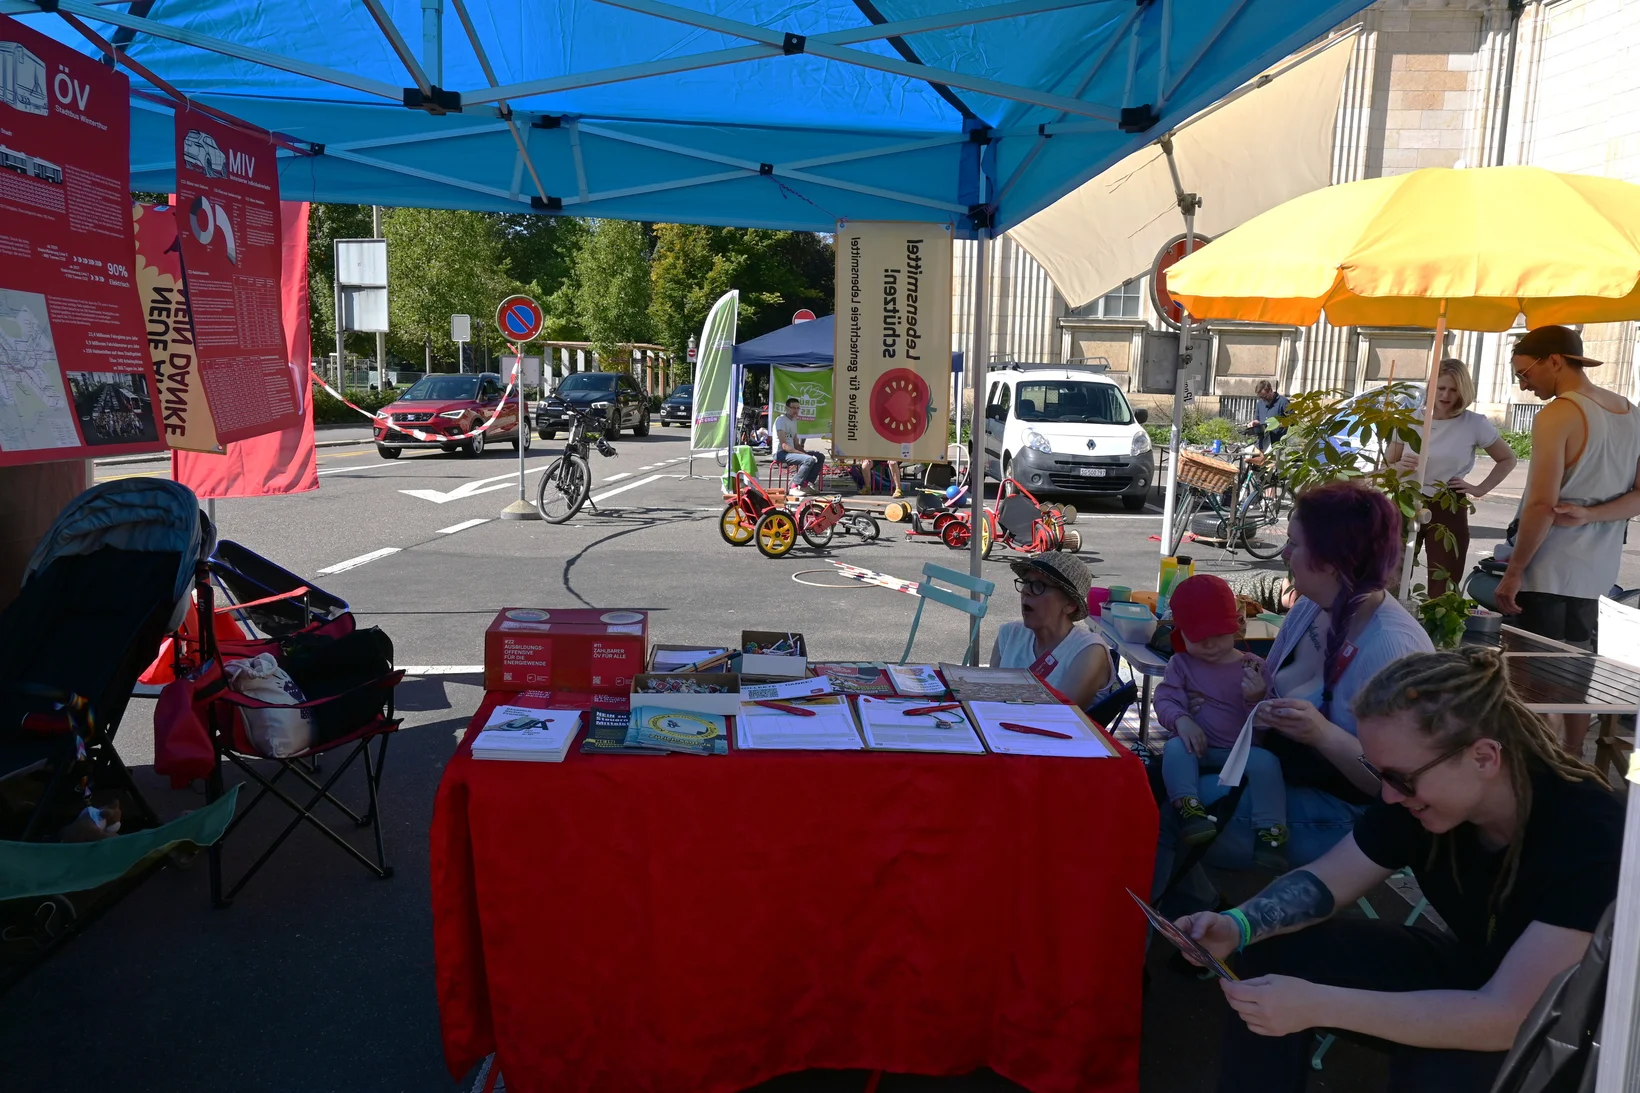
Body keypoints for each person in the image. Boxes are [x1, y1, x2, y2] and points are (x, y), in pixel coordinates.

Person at [1175, 647, 1621, 1093]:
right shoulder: (1418, 799)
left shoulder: (1589, 833)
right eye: (1380, 773)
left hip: (1575, 1032)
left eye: (1401, 778)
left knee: (1440, 1067)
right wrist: (1237, 924)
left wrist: (1316, 1005)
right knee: (1271, 953)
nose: (1388, 795)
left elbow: (1508, 1017)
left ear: (1484, 758)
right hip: (1479, 975)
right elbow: (1329, 880)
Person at [1153, 481, 1433, 894]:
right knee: (1149, 783)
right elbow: (1267, 687)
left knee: (1166, 812)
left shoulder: (1393, 647)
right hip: (1272, 766)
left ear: (1332, 561)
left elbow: (1406, 785)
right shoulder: (1308, 607)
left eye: (1293, 544)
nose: (1284, 555)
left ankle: (1194, 930)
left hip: (1348, 813)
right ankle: (1196, 921)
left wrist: (1322, 734)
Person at [1495, 325, 1640, 751]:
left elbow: (1541, 505)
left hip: (1546, 570)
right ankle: (1573, 760)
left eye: (1525, 372)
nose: (1523, 384)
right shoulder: (1631, 413)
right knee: (1578, 675)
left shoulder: (1559, 413)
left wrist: (1514, 571)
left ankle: (1535, 769)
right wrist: (1593, 514)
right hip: (1597, 574)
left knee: (1530, 685)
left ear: (1554, 361)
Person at [1156, 575, 1285, 869]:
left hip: (1242, 752)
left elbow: (1270, 721)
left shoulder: (1253, 666)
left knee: (1268, 763)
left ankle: (1271, 831)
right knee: (1175, 750)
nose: (1211, 645)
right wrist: (1182, 720)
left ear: (1237, 626)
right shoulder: (1182, 664)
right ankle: (1189, 810)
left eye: (1218, 634)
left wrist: (1256, 698)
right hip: (1199, 747)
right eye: (1199, 638)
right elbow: (1164, 700)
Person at [1383, 358, 1518, 597]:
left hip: (1448, 503)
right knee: (1390, 575)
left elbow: (1507, 459)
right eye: (1441, 388)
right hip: (1404, 500)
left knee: (1444, 581)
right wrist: (1399, 467)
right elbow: (1385, 468)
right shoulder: (1409, 420)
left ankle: (1437, 633)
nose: (1445, 395)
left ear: (1463, 391)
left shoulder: (1474, 424)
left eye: (1453, 389)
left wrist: (1479, 489)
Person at [988, 551, 1120, 710]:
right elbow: (988, 698)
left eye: (1039, 586)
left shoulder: (1089, 650)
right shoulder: (1009, 634)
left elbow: (1061, 716)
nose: (1026, 591)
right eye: (1026, 582)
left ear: (1070, 605)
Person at [773, 397, 821, 497]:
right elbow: (784, 446)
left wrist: (805, 453)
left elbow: (797, 444)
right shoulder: (781, 420)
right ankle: (794, 487)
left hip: (791, 452)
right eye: (793, 408)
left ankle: (804, 485)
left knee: (819, 456)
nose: (796, 410)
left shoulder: (794, 421)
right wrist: (804, 455)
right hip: (781, 453)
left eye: (798, 408)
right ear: (787, 408)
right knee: (808, 460)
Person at [1245, 381, 1290, 451]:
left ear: (1271, 390)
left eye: (1264, 396)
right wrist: (1254, 423)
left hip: (1276, 444)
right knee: (1248, 456)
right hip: (1261, 443)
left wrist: (1277, 425)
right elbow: (1258, 420)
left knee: (1270, 462)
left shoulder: (1283, 402)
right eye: (1260, 397)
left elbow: (1293, 420)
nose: (1263, 399)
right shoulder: (1260, 403)